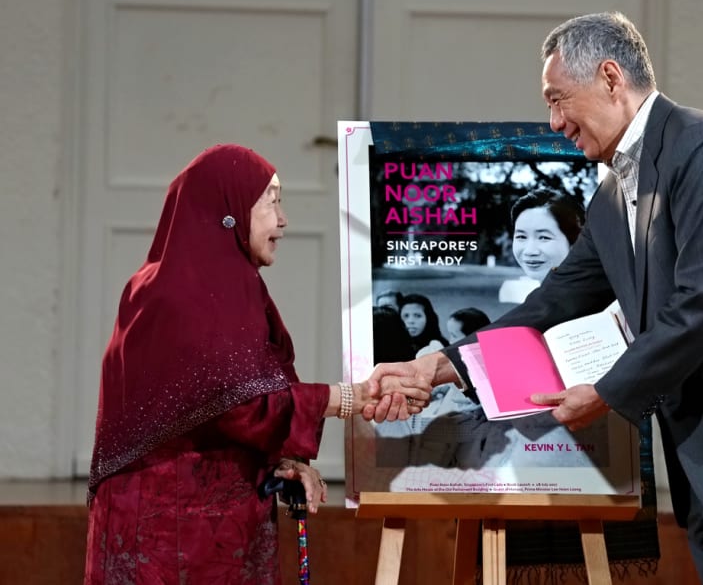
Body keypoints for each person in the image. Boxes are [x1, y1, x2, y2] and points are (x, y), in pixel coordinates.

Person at [367, 12, 703, 584]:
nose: (554, 121)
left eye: (559, 99)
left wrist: (606, 393)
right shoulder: (612, 196)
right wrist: (440, 365)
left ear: (611, 77)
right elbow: (553, 300)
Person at [84, 144, 430, 585]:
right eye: (271, 201)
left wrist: (285, 458)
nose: (283, 220)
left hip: (205, 521)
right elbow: (236, 403)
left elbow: (228, 402)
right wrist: (350, 398)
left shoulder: (212, 285)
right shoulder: (184, 294)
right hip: (170, 530)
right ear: (227, 209)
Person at [498, 188, 585, 303]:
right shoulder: (542, 300)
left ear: (575, 241)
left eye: (544, 237)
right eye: (521, 237)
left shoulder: (578, 301)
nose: (530, 251)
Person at [399, 293, 449, 357]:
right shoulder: (395, 346)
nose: (411, 321)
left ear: (428, 318)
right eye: (406, 316)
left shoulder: (441, 346)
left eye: (417, 316)